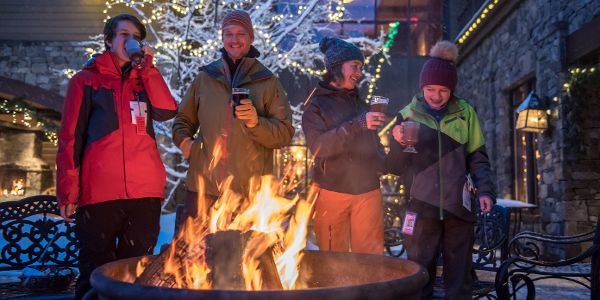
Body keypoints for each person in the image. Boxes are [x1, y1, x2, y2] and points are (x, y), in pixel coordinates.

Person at [56, 14, 177, 299]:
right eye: (124, 34)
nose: (131, 40)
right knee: (95, 272)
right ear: (109, 40)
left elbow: (167, 110)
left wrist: (147, 68)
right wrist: (68, 192)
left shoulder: (144, 81)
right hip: (100, 195)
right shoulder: (85, 81)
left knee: (137, 273)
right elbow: (70, 139)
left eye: (136, 35)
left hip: (144, 193)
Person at [386, 40, 496, 299]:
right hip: (420, 208)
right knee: (418, 273)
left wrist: (485, 191)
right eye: (431, 89)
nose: (436, 96)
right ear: (422, 87)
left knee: (459, 276)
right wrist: (397, 142)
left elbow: (478, 157)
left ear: (452, 90)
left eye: (443, 90)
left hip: (459, 207)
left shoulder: (465, 113)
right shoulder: (406, 116)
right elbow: (394, 167)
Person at [172, 10, 294, 217]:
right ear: (222, 38)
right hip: (204, 190)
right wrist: (186, 145)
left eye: (241, 34)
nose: (234, 40)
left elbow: (284, 133)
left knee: (242, 250)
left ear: (251, 38)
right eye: (228, 33)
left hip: (248, 196)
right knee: (196, 249)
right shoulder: (205, 77)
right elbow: (182, 120)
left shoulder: (267, 81)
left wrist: (256, 123)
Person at [302, 37, 385, 255]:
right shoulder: (315, 106)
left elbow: (374, 146)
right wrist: (357, 125)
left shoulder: (361, 103)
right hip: (332, 191)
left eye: (361, 67)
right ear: (337, 67)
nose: (359, 72)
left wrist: (388, 155)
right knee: (332, 260)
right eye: (355, 66)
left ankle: (367, 292)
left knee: (370, 262)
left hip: (368, 191)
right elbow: (319, 146)